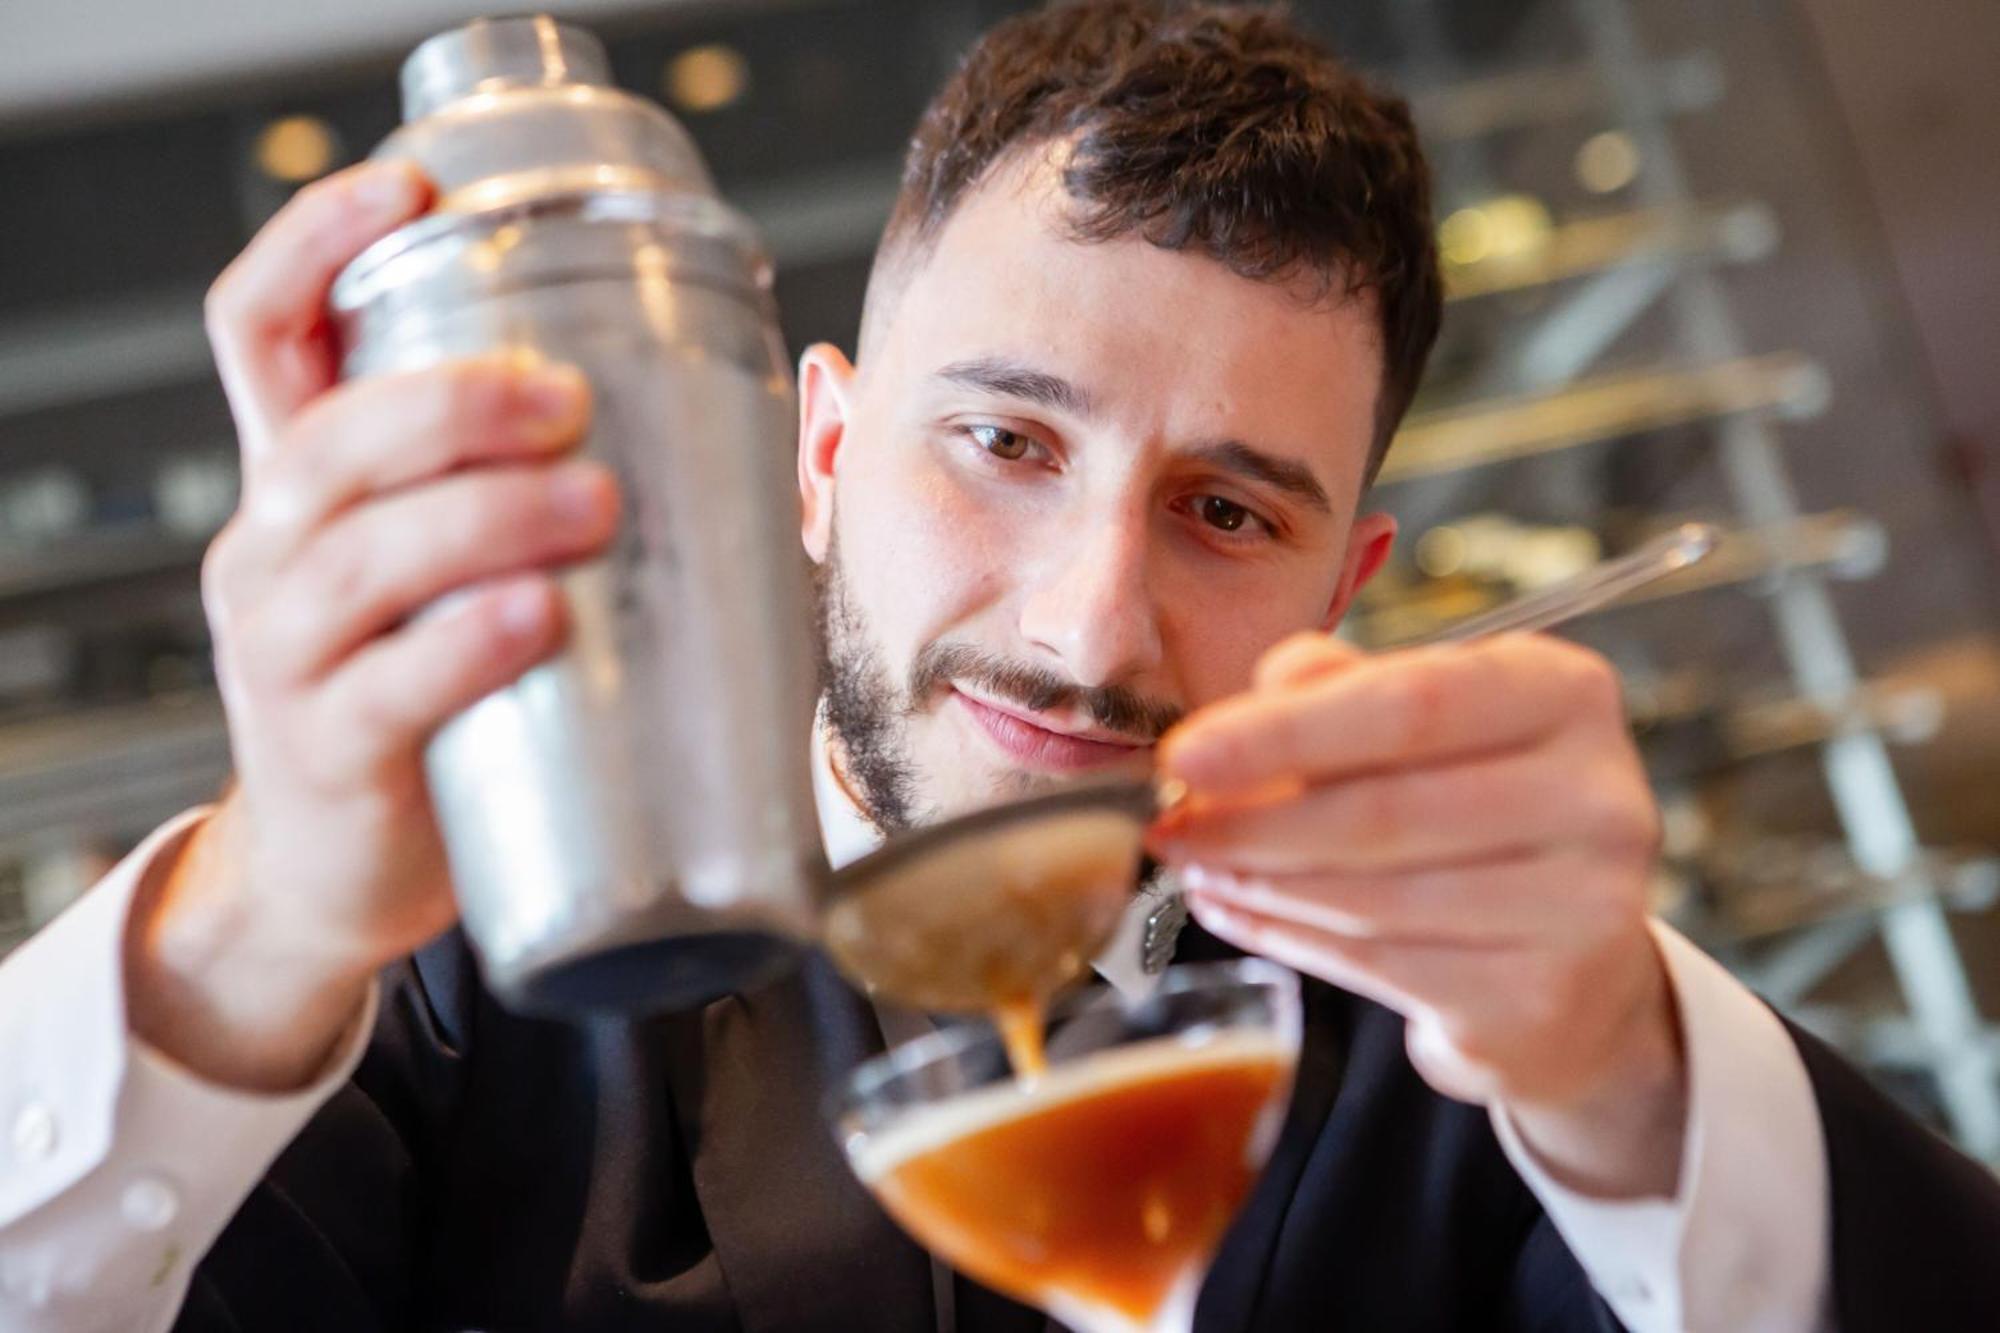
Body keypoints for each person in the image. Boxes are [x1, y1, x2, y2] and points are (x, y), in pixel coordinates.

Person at [3, 2, 1997, 1329]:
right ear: (819, 453)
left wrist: (1627, 1068)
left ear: (1345, 580)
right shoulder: (406, 996)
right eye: (1009, 443)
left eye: (1227, 509)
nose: (1085, 625)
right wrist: (244, 936)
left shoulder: (1506, 1042)